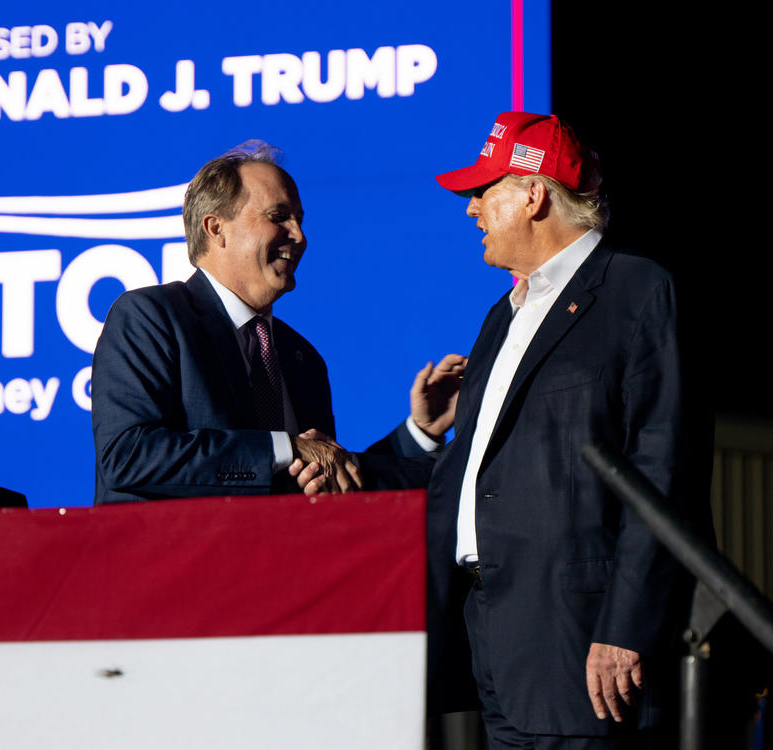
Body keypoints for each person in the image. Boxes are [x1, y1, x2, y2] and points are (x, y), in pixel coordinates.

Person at [396, 112, 704, 747]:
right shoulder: (500, 318)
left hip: (585, 640)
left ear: (534, 193)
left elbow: (664, 468)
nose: (471, 208)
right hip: (494, 634)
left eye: (483, 191)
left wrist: (627, 626)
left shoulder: (636, 291)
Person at [92, 142, 360, 504]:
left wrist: (418, 434)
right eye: (278, 216)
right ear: (216, 228)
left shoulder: (302, 357)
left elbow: (330, 472)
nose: (299, 236)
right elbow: (128, 455)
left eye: (299, 219)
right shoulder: (149, 317)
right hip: (175, 558)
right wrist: (283, 448)